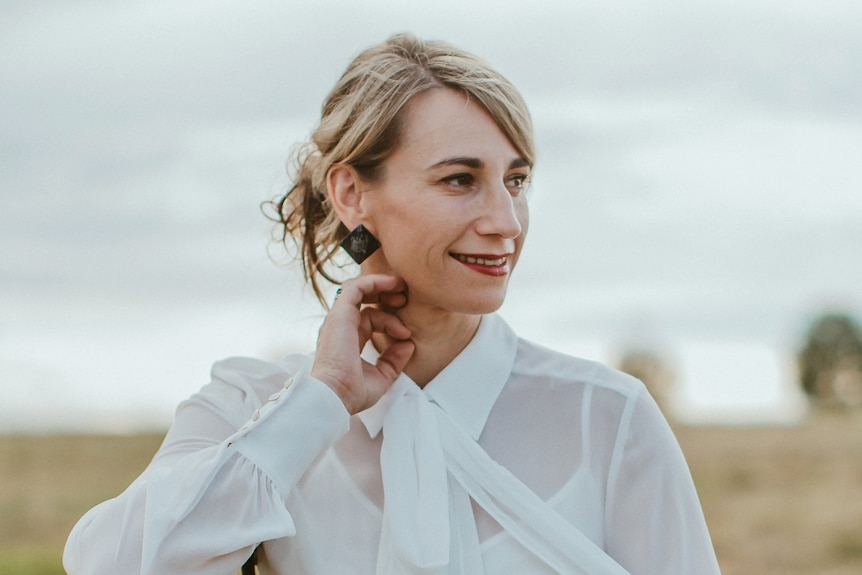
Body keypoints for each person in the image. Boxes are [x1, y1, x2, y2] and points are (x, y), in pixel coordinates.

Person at [64, 33, 721, 575]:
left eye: (515, 180)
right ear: (352, 192)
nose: (507, 221)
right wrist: (316, 403)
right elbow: (111, 563)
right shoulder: (247, 407)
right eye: (460, 179)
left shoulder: (607, 417)